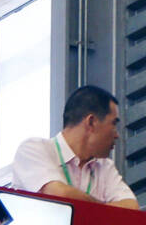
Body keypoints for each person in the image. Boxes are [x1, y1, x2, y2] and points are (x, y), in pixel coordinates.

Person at [10, 85, 138, 209]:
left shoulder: (104, 166)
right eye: (113, 124)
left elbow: (132, 208)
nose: (117, 135)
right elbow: (60, 196)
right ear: (91, 122)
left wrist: (88, 206)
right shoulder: (34, 149)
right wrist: (107, 210)